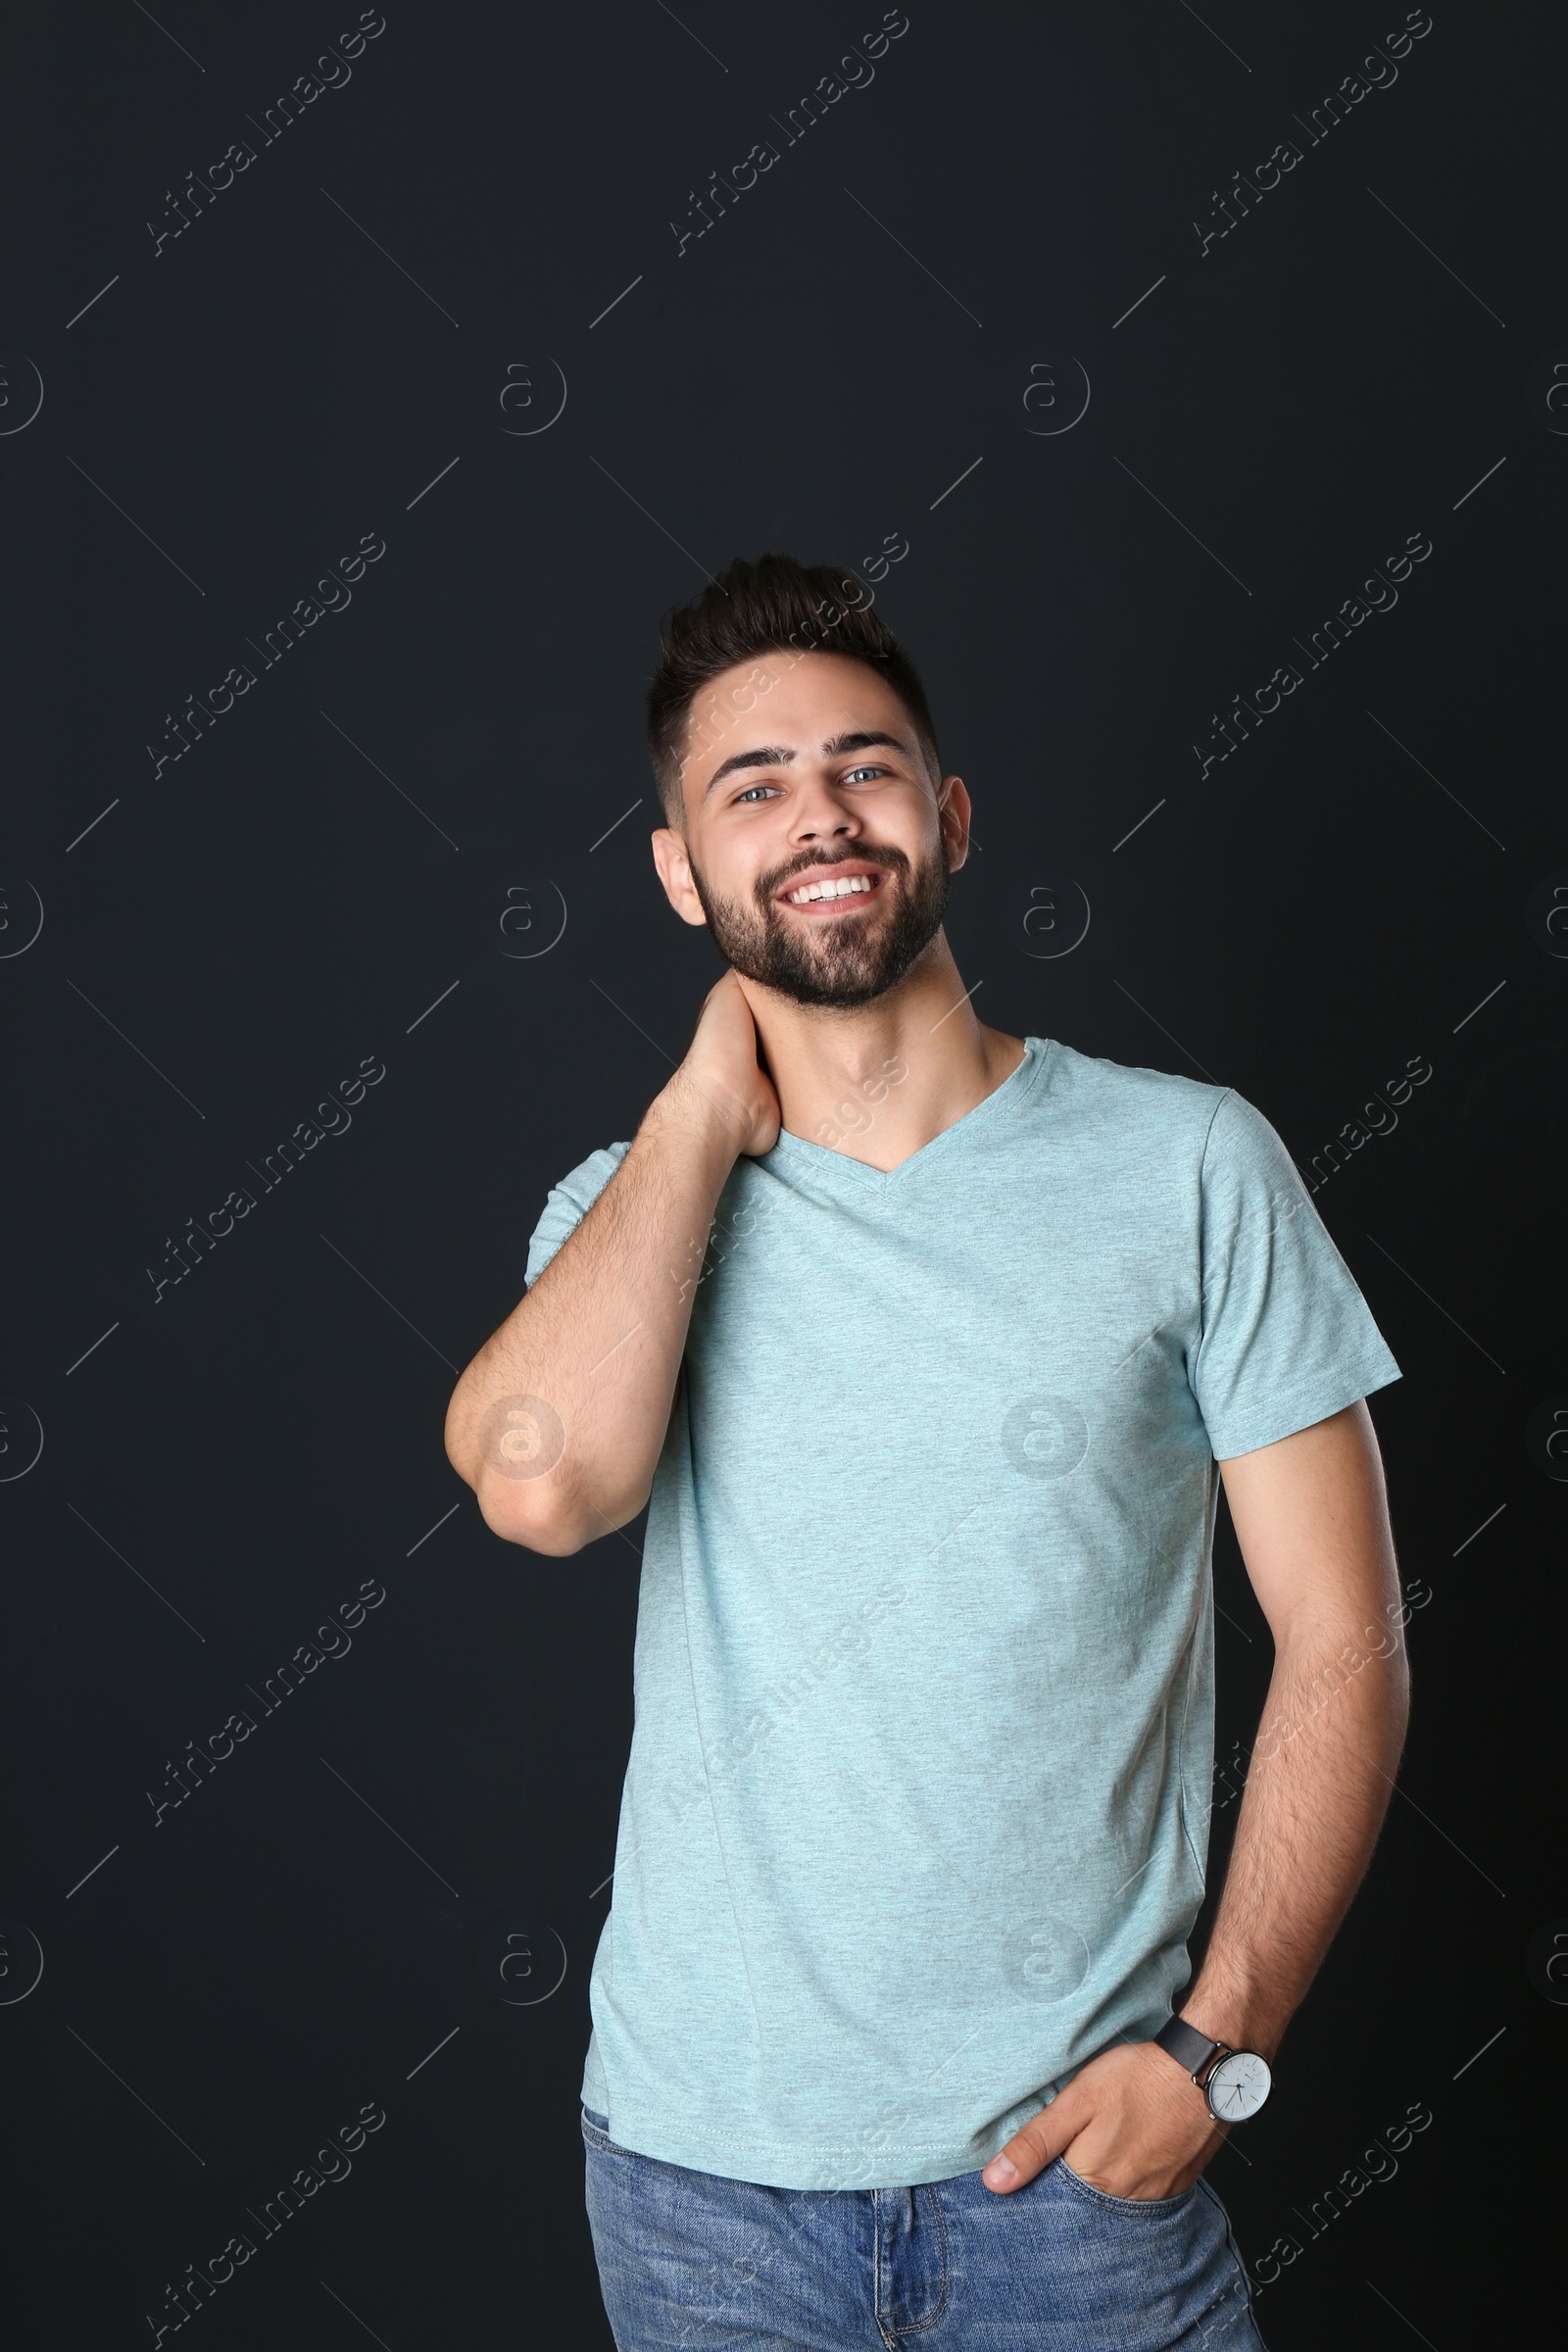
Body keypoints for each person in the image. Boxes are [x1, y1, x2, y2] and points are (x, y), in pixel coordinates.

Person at [443, 554, 1410, 2349]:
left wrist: (1226, 2048)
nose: (821, 814)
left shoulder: (1190, 1168)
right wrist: (701, 1112)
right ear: (679, 873)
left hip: (1081, 2187)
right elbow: (537, 1484)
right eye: (754, 788)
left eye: (864, 768)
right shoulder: (627, 1217)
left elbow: (1346, 1641)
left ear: (947, 818)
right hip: (705, 2194)